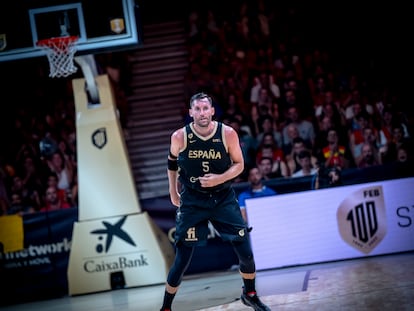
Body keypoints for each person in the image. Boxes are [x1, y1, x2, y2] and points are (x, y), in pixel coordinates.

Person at [160, 92, 270, 311]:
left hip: (222, 198)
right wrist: (173, 191)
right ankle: (166, 307)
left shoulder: (227, 133)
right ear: (190, 113)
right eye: (197, 109)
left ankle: (250, 294)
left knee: (245, 252)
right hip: (192, 200)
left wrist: (219, 178)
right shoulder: (179, 137)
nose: (202, 113)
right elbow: (172, 163)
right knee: (182, 260)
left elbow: (239, 165)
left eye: (205, 108)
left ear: (212, 111)